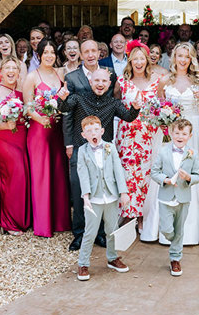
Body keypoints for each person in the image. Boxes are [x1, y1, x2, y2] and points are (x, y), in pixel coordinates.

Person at [58, 68, 141, 249]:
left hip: (104, 156)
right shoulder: (79, 98)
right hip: (82, 154)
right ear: (90, 82)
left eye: (104, 81)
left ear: (109, 84)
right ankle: (79, 235)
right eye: (97, 81)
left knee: (104, 194)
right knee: (80, 193)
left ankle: (101, 234)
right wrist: (62, 97)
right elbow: (64, 108)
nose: (100, 84)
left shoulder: (113, 103)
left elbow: (128, 117)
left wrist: (135, 107)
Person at [143, 43, 199, 245]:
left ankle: (190, 228)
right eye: (179, 56)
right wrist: (165, 123)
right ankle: (161, 226)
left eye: (187, 56)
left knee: (189, 171)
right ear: (174, 58)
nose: (183, 60)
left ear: (191, 59)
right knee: (167, 170)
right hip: (170, 131)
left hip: (194, 128)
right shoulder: (165, 80)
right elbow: (158, 108)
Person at [62, 39, 115, 250]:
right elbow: (66, 113)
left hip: (103, 142)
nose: (91, 54)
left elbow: (113, 106)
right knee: (79, 187)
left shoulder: (109, 73)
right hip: (78, 141)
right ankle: (80, 233)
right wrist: (68, 144)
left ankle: (100, 233)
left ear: (99, 52)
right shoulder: (71, 77)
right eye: (87, 51)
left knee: (101, 186)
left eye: (94, 50)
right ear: (80, 54)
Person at [23, 39, 71, 238]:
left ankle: (60, 221)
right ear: (39, 55)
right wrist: (40, 118)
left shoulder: (61, 74)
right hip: (40, 130)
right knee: (42, 175)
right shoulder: (32, 76)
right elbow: (27, 106)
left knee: (58, 174)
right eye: (46, 52)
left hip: (58, 130)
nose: (49, 55)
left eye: (52, 52)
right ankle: (43, 225)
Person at [75, 116, 130, 281]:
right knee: (90, 232)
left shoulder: (110, 147)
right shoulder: (83, 151)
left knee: (111, 230)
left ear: (102, 131)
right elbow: (82, 174)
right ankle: (83, 263)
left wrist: (123, 192)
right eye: (89, 130)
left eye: (96, 130)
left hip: (111, 196)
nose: (93, 133)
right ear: (83, 134)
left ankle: (112, 258)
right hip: (94, 198)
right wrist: (86, 197)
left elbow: (118, 171)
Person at [114, 41, 161, 226]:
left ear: (147, 60)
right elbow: (116, 104)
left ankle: (143, 214)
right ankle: (128, 213)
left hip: (149, 134)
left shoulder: (157, 81)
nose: (139, 62)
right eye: (135, 59)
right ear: (130, 61)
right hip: (127, 134)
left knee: (146, 174)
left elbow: (162, 105)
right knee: (128, 173)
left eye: (142, 58)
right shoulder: (122, 82)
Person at [0, 57, 31, 235]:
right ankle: (9, 222)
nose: (11, 71)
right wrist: (5, 125)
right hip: (4, 140)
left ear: (19, 74)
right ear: (0, 72)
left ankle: (21, 218)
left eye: (15, 68)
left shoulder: (20, 92)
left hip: (21, 139)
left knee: (22, 178)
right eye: (8, 68)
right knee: (12, 178)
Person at [150, 119, 199, 276]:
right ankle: (173, 239)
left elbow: (197, 175)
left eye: (184, 134)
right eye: (177, 133)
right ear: (171, 133)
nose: (180, 136)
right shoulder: (164, 151)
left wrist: (188, 178)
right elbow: (154, 172)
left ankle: (175, 259)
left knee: (180, 229)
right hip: (166, 197)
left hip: (183, 198)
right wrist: (165, 180)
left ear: (190, 135)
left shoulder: (192, 154)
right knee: (167, 229)